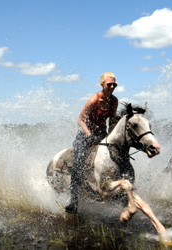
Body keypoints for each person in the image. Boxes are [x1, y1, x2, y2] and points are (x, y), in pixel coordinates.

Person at [65, 72, 119, 214]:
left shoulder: (114, 101)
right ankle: (73, 202)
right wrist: (89, 134)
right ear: (102, 85)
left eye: (114, 84)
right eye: (109, 84)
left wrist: (112, 135)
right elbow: (80, 119)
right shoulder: (94, 100)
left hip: (101, 135)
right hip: (85, 136)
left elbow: (112, 120)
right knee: (78, 164)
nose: (112, 86)